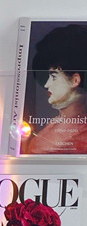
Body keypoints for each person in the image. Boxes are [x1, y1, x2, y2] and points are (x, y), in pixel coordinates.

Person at [23, 24, 87, 154]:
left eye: (53, 76)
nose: (46, 84)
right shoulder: (55, 123)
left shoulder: (79, 137)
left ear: (75, 80)